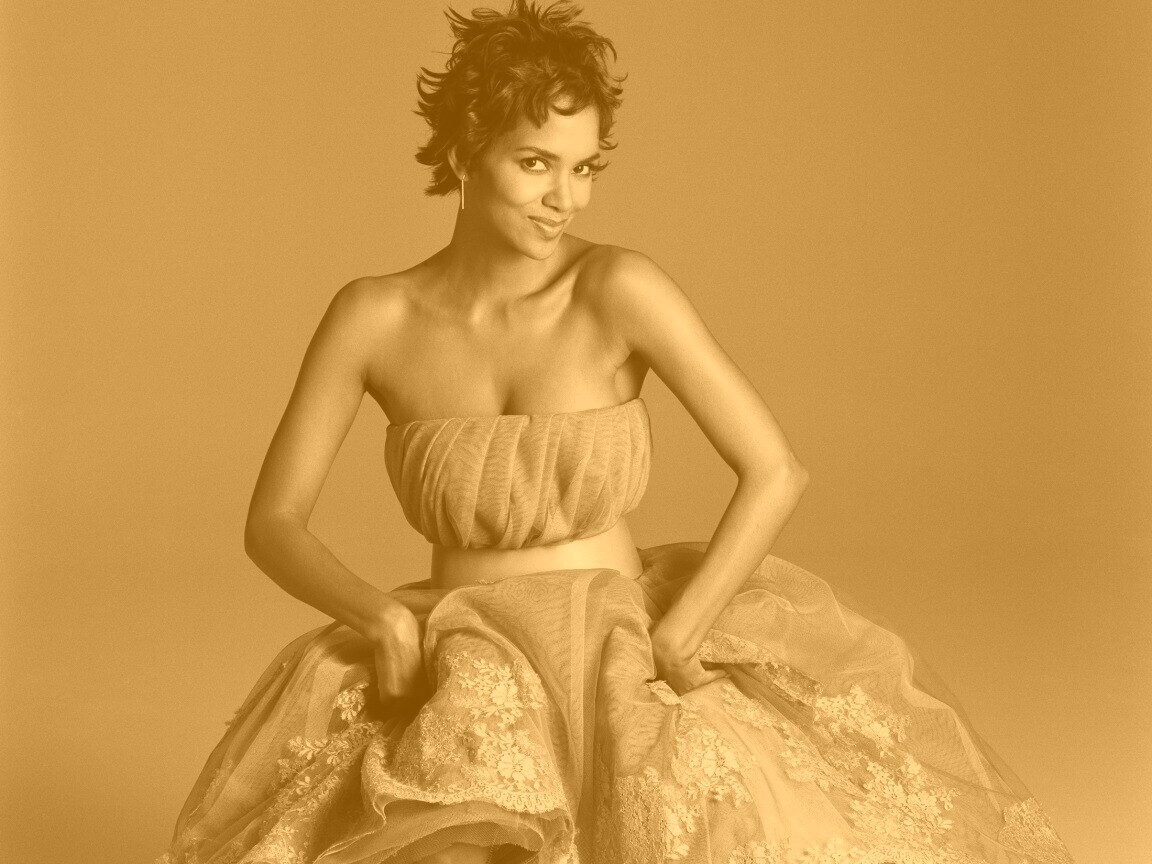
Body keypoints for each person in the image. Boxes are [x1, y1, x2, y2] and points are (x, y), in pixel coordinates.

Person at [156, 2, 1075, 863]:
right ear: (466, 151)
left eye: (586, 167)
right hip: (462, 654)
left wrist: (679, 635)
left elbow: (775, 469)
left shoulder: (617, 288)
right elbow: (273, 522)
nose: (568, 199)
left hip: (621, 643)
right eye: (536, 163)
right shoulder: (373, 316)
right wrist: (385, 619)